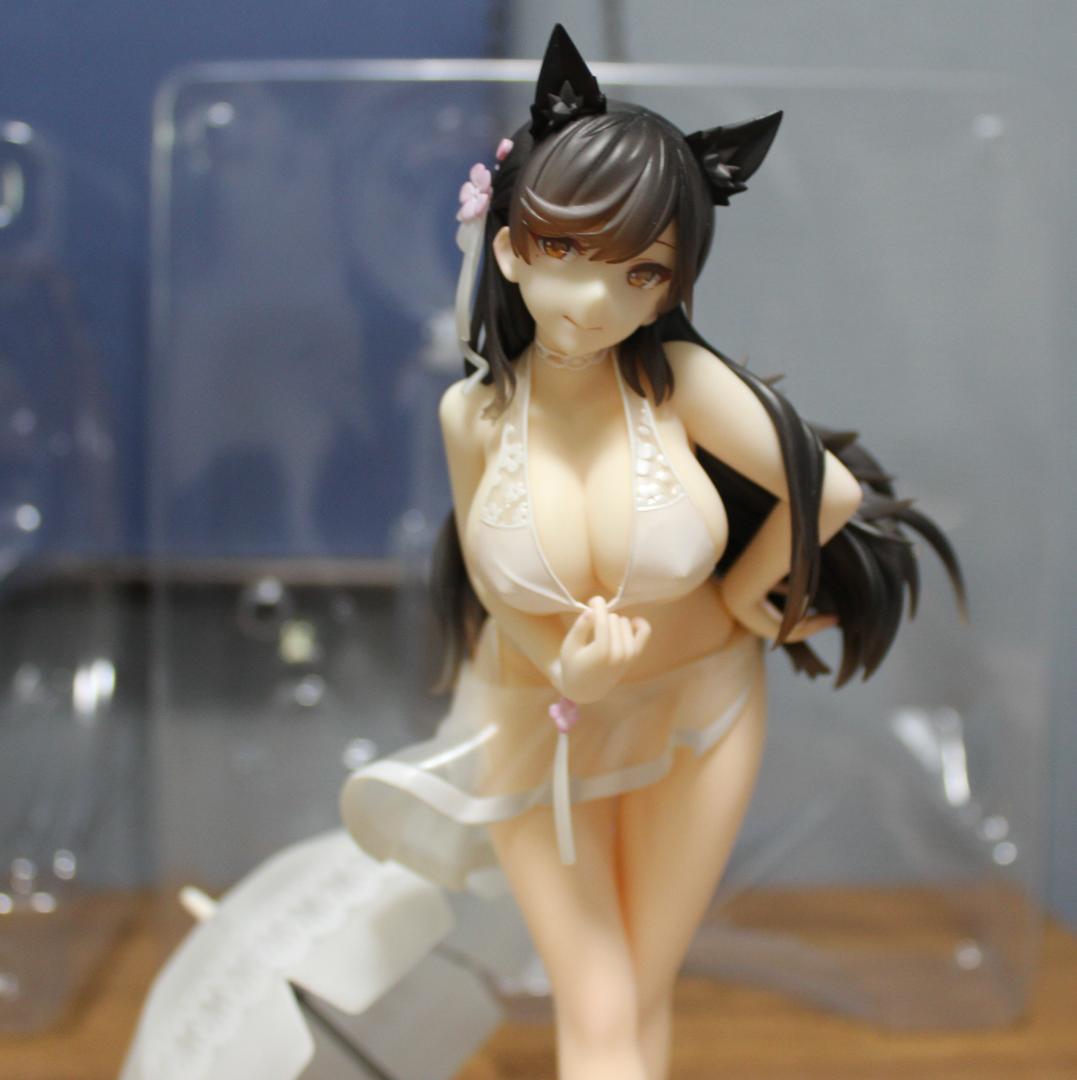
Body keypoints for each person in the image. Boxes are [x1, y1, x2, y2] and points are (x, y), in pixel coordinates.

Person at [341, 25, 964, 1080]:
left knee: (642, 984)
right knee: (597, 1001)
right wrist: (565, 666)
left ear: (670, 289)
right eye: (564, 250)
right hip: (540, 724)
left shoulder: (677, 389)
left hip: (699, 709)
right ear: (509, 247)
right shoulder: (474, 419)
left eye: (639, 271)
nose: (596, 298)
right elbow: (490, 585)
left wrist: (751, 591)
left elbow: (831, 491)